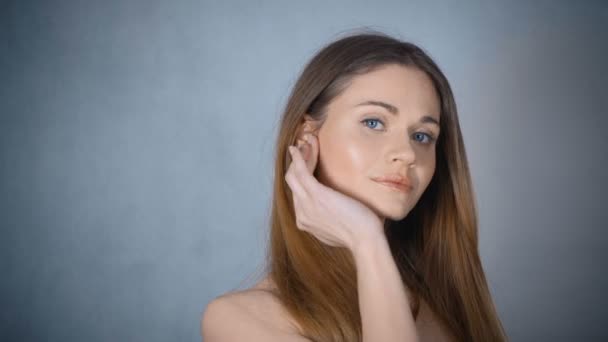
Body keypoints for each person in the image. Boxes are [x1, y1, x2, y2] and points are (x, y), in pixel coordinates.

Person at [201, 30, 508, 341]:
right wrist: (367, 241)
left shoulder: (449, 300)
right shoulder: (239, 321)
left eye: (422, 136)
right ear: (305, 137)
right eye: (373, 122)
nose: (407, 153)